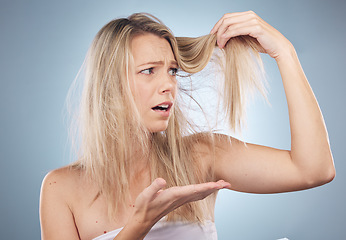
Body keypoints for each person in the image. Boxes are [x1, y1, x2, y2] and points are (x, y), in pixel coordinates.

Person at [39, 11, 335, 240]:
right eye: (148, 71)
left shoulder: (201, 155)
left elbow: (315, 170)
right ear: (109, 85)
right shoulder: (60, 189)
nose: (168, 84)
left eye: (172, 71)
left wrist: (285, 52)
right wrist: (139, 225)